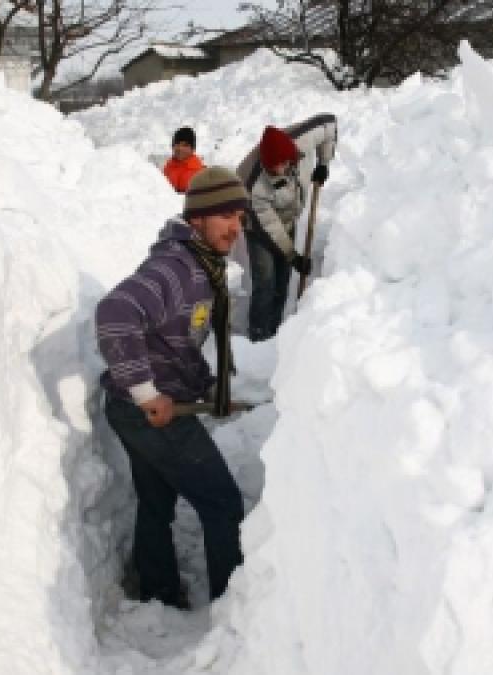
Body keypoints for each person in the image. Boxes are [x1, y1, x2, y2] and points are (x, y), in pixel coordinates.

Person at [94, 166, 248, 608]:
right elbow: (116, 312)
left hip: (132, 406)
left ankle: (159, 591)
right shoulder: (176, 268)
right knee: (222, 503)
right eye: (225, 216)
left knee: (156, 502)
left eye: (240, 217)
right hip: (152, 412)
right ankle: (233, 610)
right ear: (197, 217)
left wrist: (208, 386)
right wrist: (147, 393)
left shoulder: (200, 265)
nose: (236, 229)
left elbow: (174, 340)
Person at [236, 113, 337, 342]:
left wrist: (323, 162)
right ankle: (259, 339)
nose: (279, 171)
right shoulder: (255, 185)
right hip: (258, 226)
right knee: (266, 283)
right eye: (273, 168)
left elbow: (329, 124)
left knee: (283, 280)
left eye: (282, 165)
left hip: (287, 217)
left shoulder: (301, 139)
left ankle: (276, 335)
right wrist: (293, 255)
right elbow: (269, 227)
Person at [162, 126, 205, 194]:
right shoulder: (168, 167)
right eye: (177, 144)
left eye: (185, 145)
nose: (180, 148)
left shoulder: (199, 172)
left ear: (193, 149)